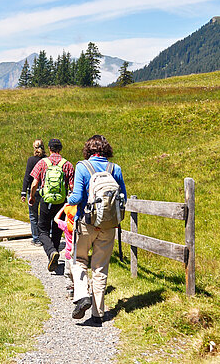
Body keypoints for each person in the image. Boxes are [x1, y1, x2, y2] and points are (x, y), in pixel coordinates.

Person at [68, 135, 127, 324]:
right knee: (100, 267)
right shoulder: (114, 168)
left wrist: (68, 200)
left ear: (88, 150)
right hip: (109, 225)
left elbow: (76, 197)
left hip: (86, 223)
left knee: (78, 260)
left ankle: (82, 294)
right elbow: (123, 197)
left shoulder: (82, 167)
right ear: (106, 150)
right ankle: (97, 314)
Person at [28, 138, 74, 272]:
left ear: (49, 148)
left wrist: (32, 197)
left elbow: (34, 183)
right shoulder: (67, 165)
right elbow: (71, 187)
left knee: (42, 230)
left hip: (46, 201)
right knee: (57, 229)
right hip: (61, 203)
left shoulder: (43, 163)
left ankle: (51, 252)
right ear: (60, 149)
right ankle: (53, 255)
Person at [21, 140, 46, 246]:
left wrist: (23, 192)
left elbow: (27, 177)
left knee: (33, 215)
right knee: (44, 215)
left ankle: (36, 239)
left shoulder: (31, 160)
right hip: (45, 190)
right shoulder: (46, 160)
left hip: (33, 189)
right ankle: (45, 237)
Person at [54, 203, 77, 298]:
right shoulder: (80, 228)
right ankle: (81, 289)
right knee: (79, 271)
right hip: (79, 253)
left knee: (68, 273)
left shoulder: (66, 225)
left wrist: (63, 208)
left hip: (68, 254)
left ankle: (70, 290)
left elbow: (55, 218)